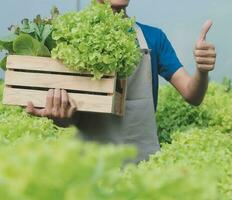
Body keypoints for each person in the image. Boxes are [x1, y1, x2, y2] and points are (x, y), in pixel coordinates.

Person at [26, 0, 217, 163]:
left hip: (143, 164)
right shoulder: (67, 37)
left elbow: (192, 95)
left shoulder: (153, 38)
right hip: (91, 167)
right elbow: (71, 115)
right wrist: (62, 117)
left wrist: (202, 70)